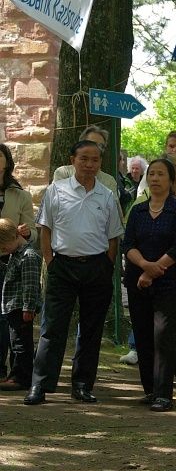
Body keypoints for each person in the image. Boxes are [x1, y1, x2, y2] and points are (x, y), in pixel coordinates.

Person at [24, 140, 124, 406]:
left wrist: (107, 264)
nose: (89, 165)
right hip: (62, 266)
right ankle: (40, 385)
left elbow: (113, 236)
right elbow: (45, 228)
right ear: (72, 160)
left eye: (95, 160)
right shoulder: (56, 190)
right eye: (84, 159)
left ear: (100, 163)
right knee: (51, 327)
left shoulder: (107, 195)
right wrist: (50, 260)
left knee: (91, 330)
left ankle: (81, 385)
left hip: (97, 268)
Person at [123, 158, 176, 412]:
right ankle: (150, 390)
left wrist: (153, 271)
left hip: (170, 283)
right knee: (142, 334)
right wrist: (144, 266)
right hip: (138, 281)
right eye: (151, 174)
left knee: (163, 334)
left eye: (160, 174)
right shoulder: (138, 210)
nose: (154, 178)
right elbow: (127, 244)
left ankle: (164, 393)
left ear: (172, 180)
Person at [0, 143, 37, 381]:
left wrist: (25, 232)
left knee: (10, 320)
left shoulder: (20, 194)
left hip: (10, 262)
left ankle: (18, 373)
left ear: (7, 162)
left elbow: (34, 232)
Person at [0, 219, 41, 391]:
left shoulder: (28, 256)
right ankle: (15, 374)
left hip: (20, 307)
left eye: (3, 246)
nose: (3, 250)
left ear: (16, 236)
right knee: (15, 341)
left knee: (21, 344)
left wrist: (28, 307)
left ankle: (22, 377)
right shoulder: (15, 254)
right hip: (12, 306)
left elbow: (30, 285)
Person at [52, 125, 119, 196]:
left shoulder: (108, 181)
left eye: (101, 146)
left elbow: (112, 206)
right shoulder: (64, 173)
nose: (97, 148)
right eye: (92, 144)